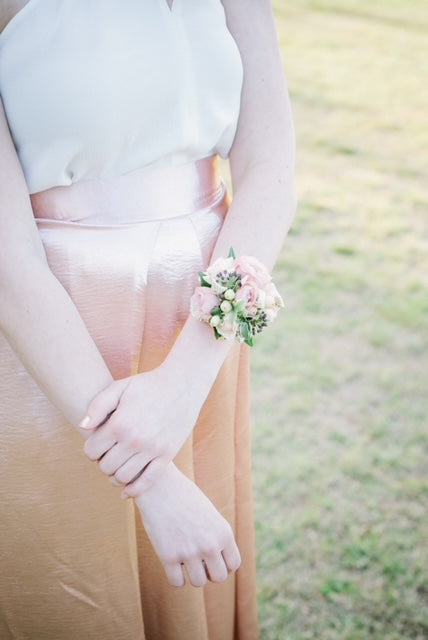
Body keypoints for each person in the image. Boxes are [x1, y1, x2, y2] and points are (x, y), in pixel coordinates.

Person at [0, 1, 296, 638]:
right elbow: (7, 259)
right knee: (74, 571)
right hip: (53, 332)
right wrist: (152, 477)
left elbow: (271, 169)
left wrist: (186, 379)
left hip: (196, 324)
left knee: (189, 587)